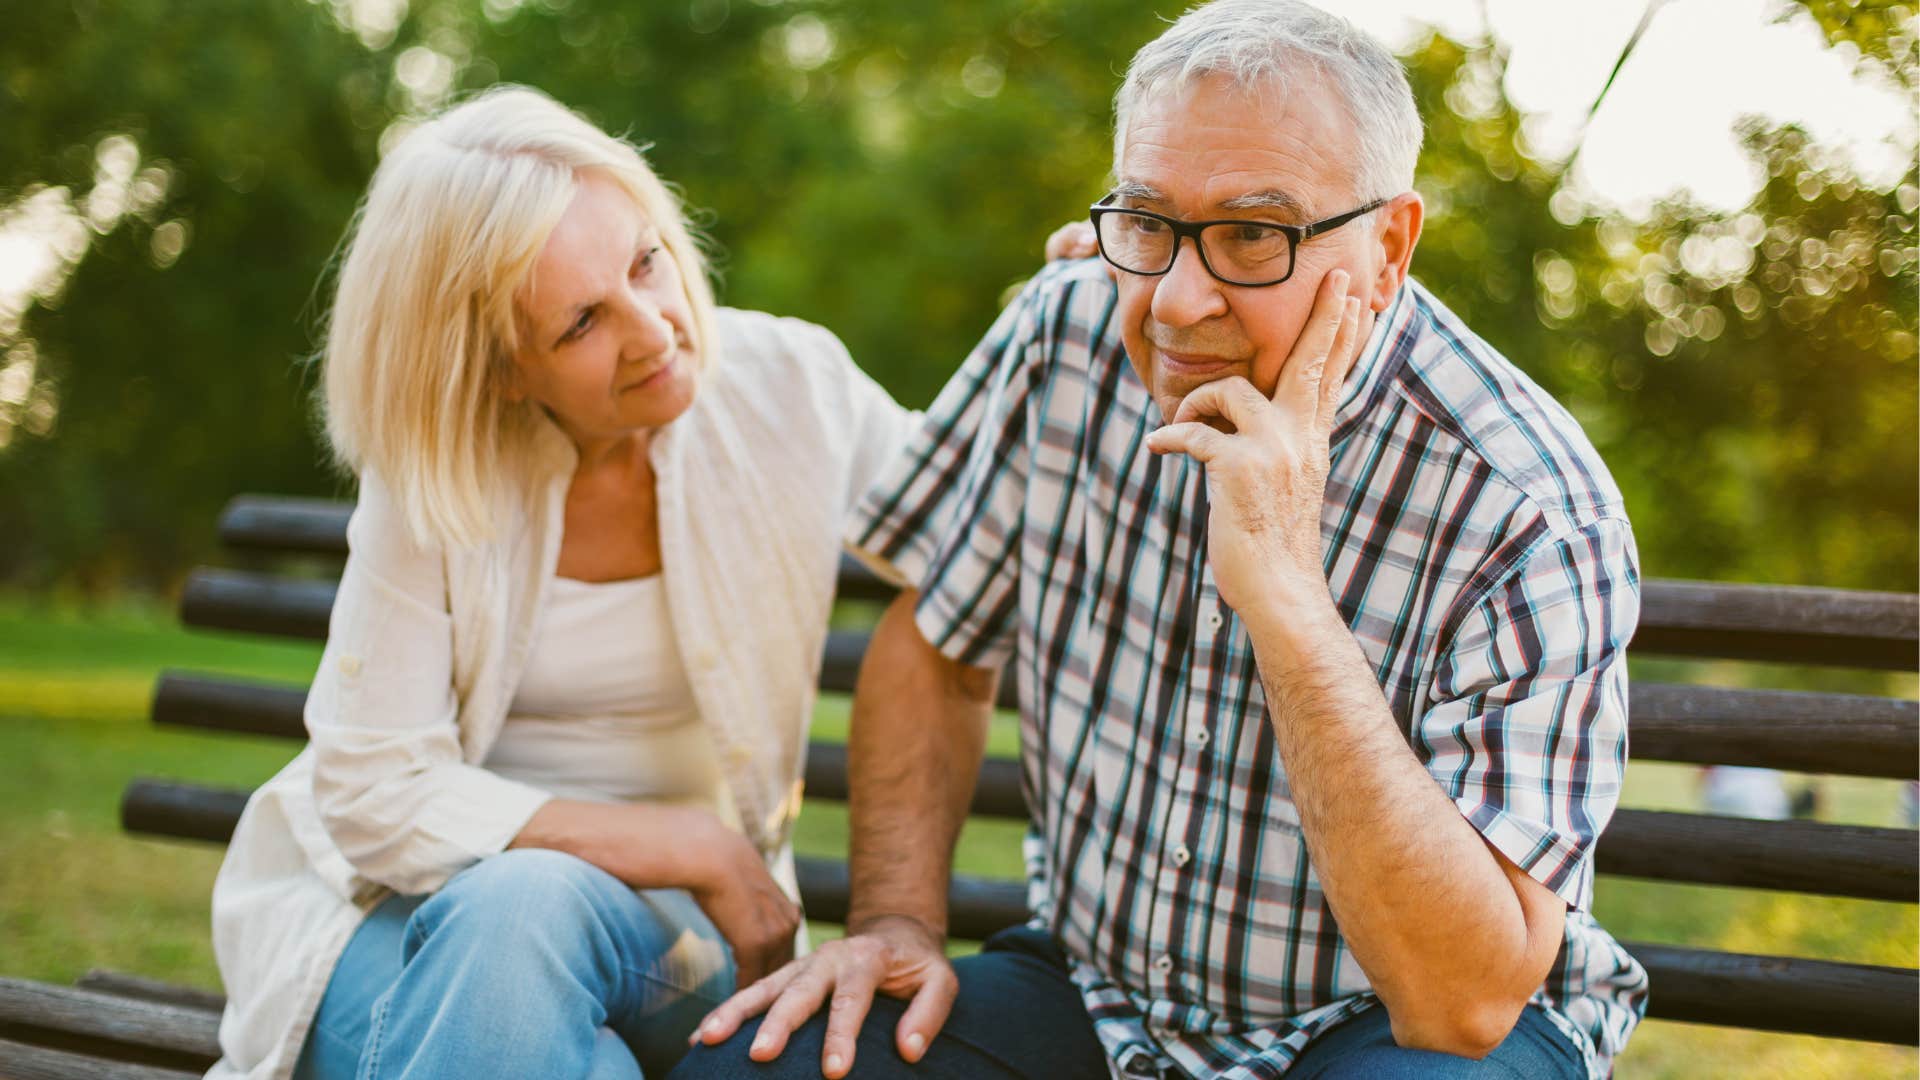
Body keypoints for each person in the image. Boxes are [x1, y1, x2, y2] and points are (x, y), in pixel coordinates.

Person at [676, 2, 1648, 1077]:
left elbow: (1462, 1004)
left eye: (1252, 236)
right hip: (1093, 991)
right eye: (1147, 222)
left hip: (1389, 1025)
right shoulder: (1068, 330)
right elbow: (935, 642)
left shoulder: (1528, 508)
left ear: (1388, 246)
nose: (1178, 303)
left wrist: (1285, 591)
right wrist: (897, 923)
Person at [204, 85, 919, 1080]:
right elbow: (372, 788)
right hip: (392, 916)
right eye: (583, 320)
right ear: (500, 369)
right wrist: (684, 842)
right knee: (532, 954)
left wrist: (1075, 322)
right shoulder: (437, 472)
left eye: (646, 261)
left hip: (685, 942)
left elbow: (989, 528)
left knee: (520, 920)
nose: (656, 329)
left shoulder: (790, 387)